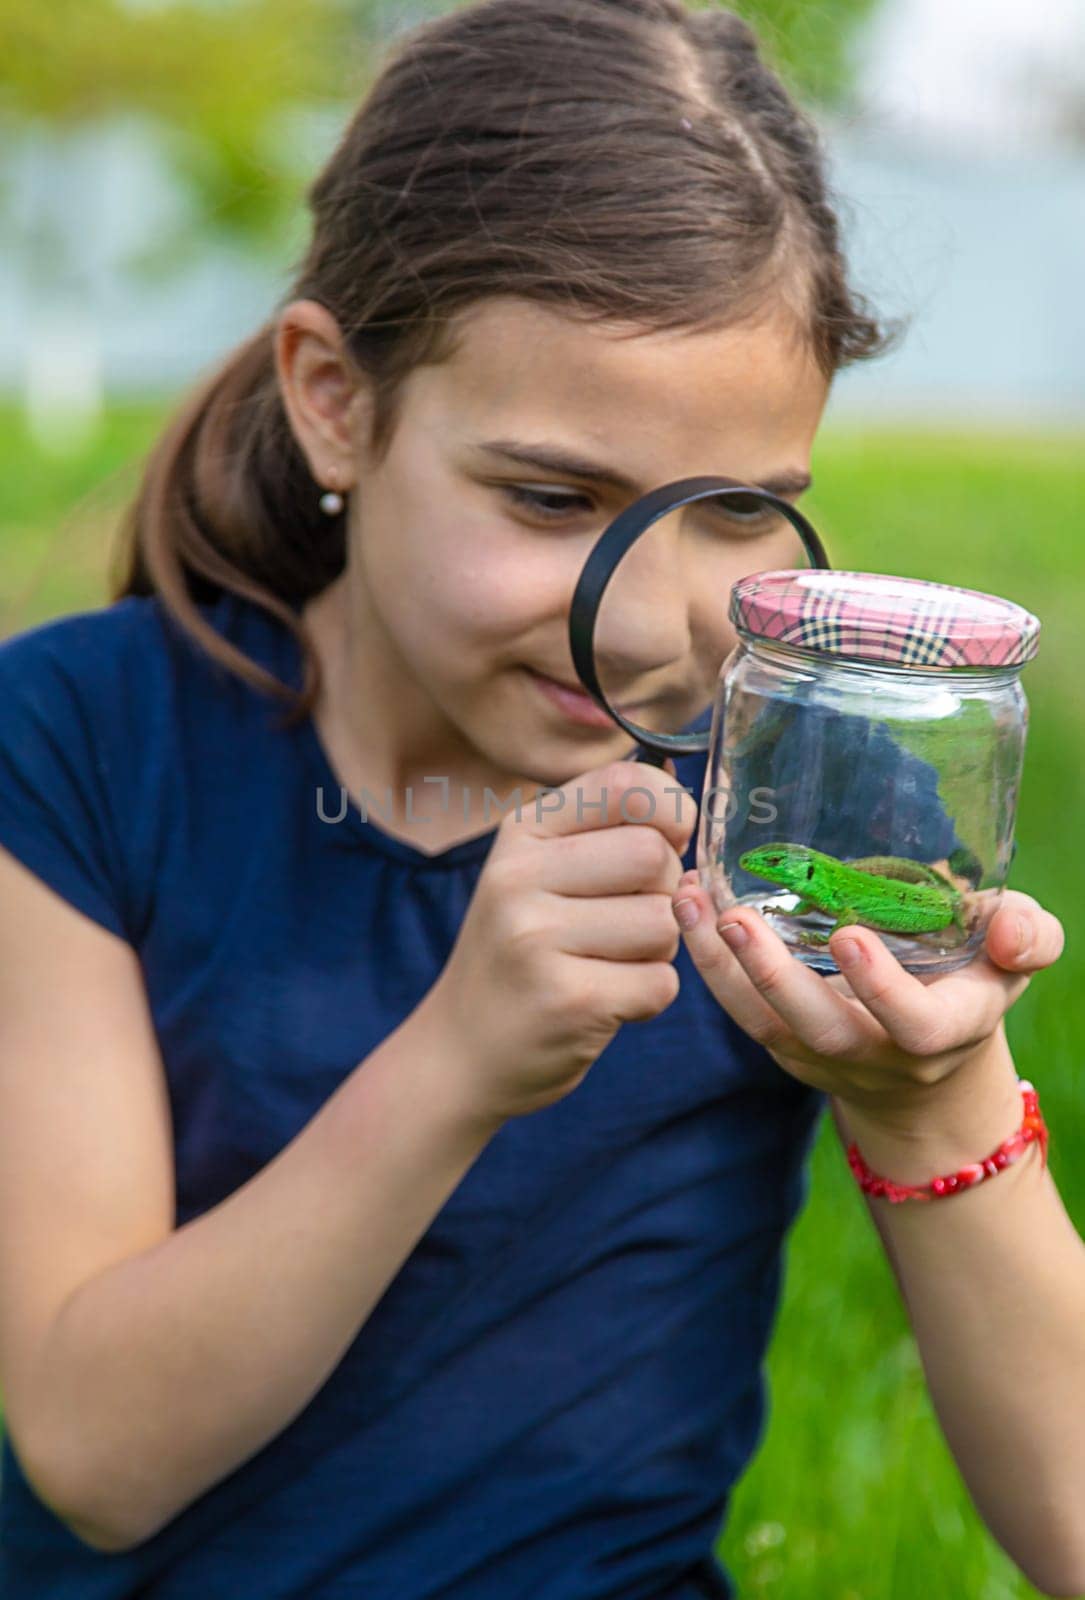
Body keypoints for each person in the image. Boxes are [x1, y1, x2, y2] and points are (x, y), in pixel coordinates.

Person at [0, 2, 1076, 1597]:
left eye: (735, 515)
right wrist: (457, 1059)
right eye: (550, 498)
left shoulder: (800, 813)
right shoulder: (81, 740)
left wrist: (929, 1104)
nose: (650, 622)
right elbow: (92, 1464)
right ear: (336, 401)